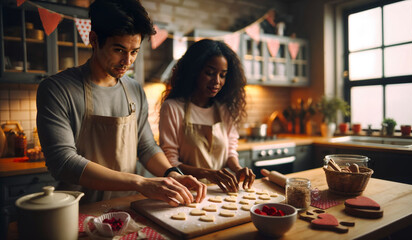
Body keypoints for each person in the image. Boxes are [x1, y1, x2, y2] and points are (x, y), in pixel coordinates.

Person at [36, 0, 206, 206]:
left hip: (126, 206)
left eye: (134, 51)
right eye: (119, 50)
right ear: (94, 39)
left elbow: (146, 147)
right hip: (79, 209)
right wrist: (140, 182)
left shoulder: (134, 89)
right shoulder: (57, 89)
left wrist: (172, 173)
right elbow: (62, 162)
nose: (128, 61)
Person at [159, 39, 255, 193]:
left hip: (220, 191)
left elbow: (230, 150)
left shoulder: (225, 110)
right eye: (210, 73)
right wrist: (207, 173)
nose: (217, 81)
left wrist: (237, 169)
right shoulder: (173, 108)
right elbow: (170, 162)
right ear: (194, 71)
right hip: (187, 192)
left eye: (222, 75)